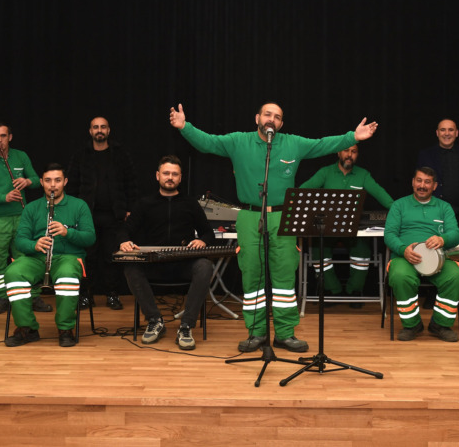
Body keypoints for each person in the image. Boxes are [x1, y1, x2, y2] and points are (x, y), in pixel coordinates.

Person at [169, 102, 379, 353]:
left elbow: (322, 144)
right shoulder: (239, 141)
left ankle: (285, 333)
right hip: (249, 216)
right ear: (257, 117)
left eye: (277, 117)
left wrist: (352, 137)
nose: (272, 119)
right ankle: (256, 333)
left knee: (283, 277)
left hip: (283, 217)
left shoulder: (293, 143)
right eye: (267, 114)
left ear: (281, 124)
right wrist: (185, 127)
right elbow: (208, 142)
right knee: (252, 277)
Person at [117, 155, 216, 350]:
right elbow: (125, 229)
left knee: (205, 266)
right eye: (166, 173)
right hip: (154, 264)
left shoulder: (190, 204)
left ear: (180, 178)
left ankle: (186, 326)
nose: (169, 177)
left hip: (183, 264)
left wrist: (202, 240)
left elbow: (208, 232)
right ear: (157, 176)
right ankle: (155, 321)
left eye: (174, 174)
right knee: (131, 268)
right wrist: (123, 241)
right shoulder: (144, 203)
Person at [3, 163, 96, 347]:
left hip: (68, 257)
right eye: (48, 181)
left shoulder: (79, 206)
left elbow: (90, 238)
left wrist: (67, 232)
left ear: (65, 182)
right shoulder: (31, 208)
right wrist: (35, 244)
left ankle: (65, 328)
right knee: (13, 273)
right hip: (36, 258)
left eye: (57, 180)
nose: (53, 185)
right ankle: (27, 328)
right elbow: (20, 240)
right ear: (41, 182)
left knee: (67, 276)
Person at [300, 144, 393, 307]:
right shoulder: (325, 172)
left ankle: (354, 292)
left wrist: (400, 211)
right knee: (317, 249)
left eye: (354, 151)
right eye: (346, 150)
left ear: (357, 155)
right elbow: (301, 191)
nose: (349, 154)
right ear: (338, 152)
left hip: (354, 228)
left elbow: (382, 195)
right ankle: (331, 290)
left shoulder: (363, 175)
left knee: (363, 250)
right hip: (327, 228)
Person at [0, 122, 50, 315]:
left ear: (10, 137)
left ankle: (31, 296)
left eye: (3, 136)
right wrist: (4, 197)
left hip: (22, 217)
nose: (0, 140)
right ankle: (1, 297)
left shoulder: (21, 156)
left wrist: (27, 181)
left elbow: (36, 179)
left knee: (25, 257)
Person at [384, 167, 459, 342]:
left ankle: (440, 324)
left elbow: (456, 234)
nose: (422, 185)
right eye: (419, 180)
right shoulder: (399, 205)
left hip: (439, 258)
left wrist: (443, 239)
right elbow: (389, 234)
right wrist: (402, 249)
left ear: (434, 186)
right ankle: (412, 325)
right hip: (405, 257)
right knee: (399, 277)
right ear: (413, 182)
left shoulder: (444, 207)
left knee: (456, 277)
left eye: (427, 182)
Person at [67, 116, 139, 311]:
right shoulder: (81, 154)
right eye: (95, 127)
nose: (99, 130)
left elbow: (131, 183)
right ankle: (85, 295)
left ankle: (112, 294)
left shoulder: (120, 154)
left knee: (111, 257)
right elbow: (72, 184)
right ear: (90, 131)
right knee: (87, 257)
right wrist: (72, 211)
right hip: (85, 217)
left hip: (114, 216)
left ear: (109, 130)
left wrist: (130, 209)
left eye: (103, 127)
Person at [417, 118, 459, 310]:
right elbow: (421, 184)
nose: (447, 133)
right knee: (433, 253)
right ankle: (432, 293)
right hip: (433, 213)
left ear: (457, 133)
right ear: (437, 133)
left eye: (451, 130)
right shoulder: (426, 154)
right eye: (443, 130)